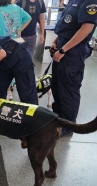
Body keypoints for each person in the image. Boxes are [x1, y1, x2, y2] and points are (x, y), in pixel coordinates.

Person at [50, 0, 97, 137]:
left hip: (73, 51)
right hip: (63, 45)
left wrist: (64, 50)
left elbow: (86, 28)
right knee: (57, 87)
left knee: (68, 90)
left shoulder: (90, 1)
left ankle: (68, 126)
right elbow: (68, 25)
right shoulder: (73, 1)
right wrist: (56, 41)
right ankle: (57, 120)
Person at [0, 0, 31, 100]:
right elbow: (28, 18)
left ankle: (7, 92)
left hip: (4, 47)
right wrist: (19, 30)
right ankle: (10, 90)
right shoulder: (17, 8)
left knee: (2, 74)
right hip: (17, 45)